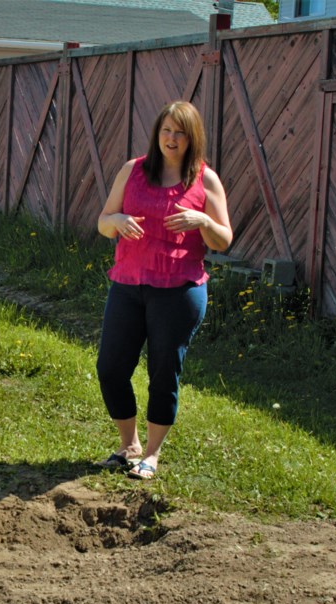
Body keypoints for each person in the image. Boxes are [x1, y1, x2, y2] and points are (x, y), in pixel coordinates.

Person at [94, 100, 232, 480]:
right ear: (157, 133)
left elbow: (223, 240)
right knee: (110, 367)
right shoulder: (133, 170)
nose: (171, 138)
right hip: (128, 283)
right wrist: (117, 220)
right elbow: (103, 222)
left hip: (178, 289)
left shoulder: (205, 180)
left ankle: (151, 454)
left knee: (163, 370)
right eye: (166, 130)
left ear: (192, 139)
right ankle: (128, 445)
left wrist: (202, 219)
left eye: (180, 132)